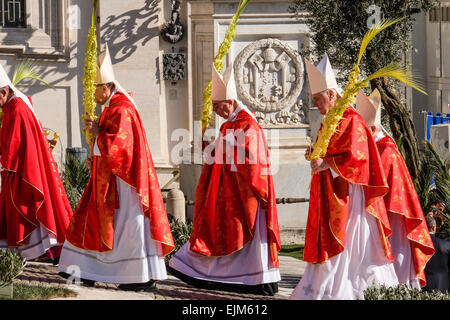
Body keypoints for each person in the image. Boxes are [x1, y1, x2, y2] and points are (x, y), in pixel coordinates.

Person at [58, 45, 175, 291]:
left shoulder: (122, 109)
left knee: (126, 227)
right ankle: (88, 270)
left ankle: (137, 275)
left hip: (125, 183)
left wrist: (96, 132)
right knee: (96, 223)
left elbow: (120, 147)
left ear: (107, 87)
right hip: (110, 177)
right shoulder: (114, 108)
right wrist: (96, 154)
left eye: (96, 88)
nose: (93, 93)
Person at [289, 55, 399, 300]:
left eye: (318, 99)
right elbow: (327, 150)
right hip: (330, 194)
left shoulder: (353, 120)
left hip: (349, 200)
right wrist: (315, 153)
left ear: (331, 94)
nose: (316, 105)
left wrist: (325, 162)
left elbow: (358, 158)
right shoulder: (331, 120)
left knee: (352, 246)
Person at [168, 63, 281, 296]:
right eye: (214, 108)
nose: (218, 112)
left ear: (231, 102)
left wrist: (222, 146)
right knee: (219, 232)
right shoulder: (230, 124)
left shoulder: (248, 124)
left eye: (219, 107)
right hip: (228, 193)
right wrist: (211, 148)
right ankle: (220, 275)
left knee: (247, 236)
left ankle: (261, 279)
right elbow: (222, 153)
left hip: (246, 193)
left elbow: (253, 159)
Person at [355, 89, 435, 289]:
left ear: (372, 129)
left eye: (363, 132)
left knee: (397, 253)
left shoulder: (387, 150)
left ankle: (400, 287)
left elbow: (377, 180)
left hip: (394, 213)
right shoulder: (377, 147)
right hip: (381, 210)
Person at [0, 63, 73, 260]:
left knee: (26, 208)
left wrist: (4, 162)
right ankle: (47, 251)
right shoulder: (16, 105)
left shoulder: (16, 109)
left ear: (3, 92)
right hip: (25, 166)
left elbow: (13, 143)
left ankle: (40, 251)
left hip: (22, 170)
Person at [423, 215, 450, 293]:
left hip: (422, 288)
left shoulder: (416, 246)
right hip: (443, 287)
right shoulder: (446, 244)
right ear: (434, 228)